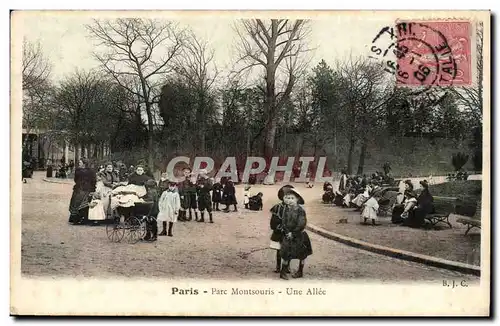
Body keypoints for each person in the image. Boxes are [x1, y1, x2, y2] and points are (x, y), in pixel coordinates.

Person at [279, 188, 313, 280]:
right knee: (286, 253)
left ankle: (300, 271)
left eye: (292, 198)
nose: (290, 200)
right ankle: (283, 271)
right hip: (288, 235)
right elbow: (284, 222)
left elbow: (301, 223)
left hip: (299, 235)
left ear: (297, 199)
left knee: (301, 254)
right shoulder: (286, 209)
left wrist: (293, 233)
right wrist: (286, 232)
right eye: (288, 198)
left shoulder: (300, 211)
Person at [270, 185, 295, 274]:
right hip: (279, 232)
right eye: (286, 197)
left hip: (289, 232)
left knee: (288, 250)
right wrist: (278, 227)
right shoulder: (277, 207)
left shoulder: (294, 208)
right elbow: (273, 221)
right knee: (279, 250)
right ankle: (278, 267)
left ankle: (287, 267)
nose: (288, 199)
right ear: (282, 198)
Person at [68, 158, 97, 225]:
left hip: (83, 189)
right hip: (80, 189)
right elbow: (93, 181)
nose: (79, 164)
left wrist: (92, 189)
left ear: (84, 163)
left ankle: (78, 219)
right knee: (79, 203)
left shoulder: (80, 171)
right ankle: (81, 219)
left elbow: (76, 180)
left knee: (79, 203)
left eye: (80, 162)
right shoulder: (90, 171)